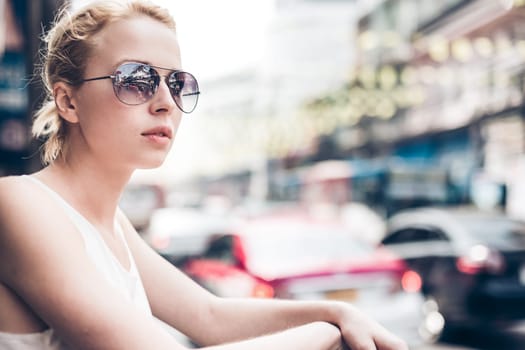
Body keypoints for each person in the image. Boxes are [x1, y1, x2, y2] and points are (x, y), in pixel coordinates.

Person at [0, 1, 409, 349]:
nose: (165, 103)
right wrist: (326, 333)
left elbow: (207, 315)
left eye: (176, 84)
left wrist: (337, 310)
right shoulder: (18, 204)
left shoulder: (111, 224)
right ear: (68, 101)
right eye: (136, 80)